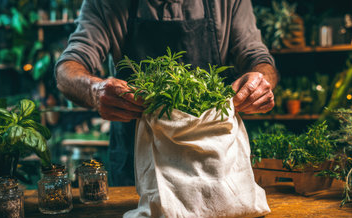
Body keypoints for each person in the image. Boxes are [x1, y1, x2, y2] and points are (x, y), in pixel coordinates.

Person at [55, 0, 278, 186]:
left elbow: (256, 56)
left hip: (213, 159)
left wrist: (260, 80)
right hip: (139, 162)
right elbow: (67, 69)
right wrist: (95, 90)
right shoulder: (108, 3)